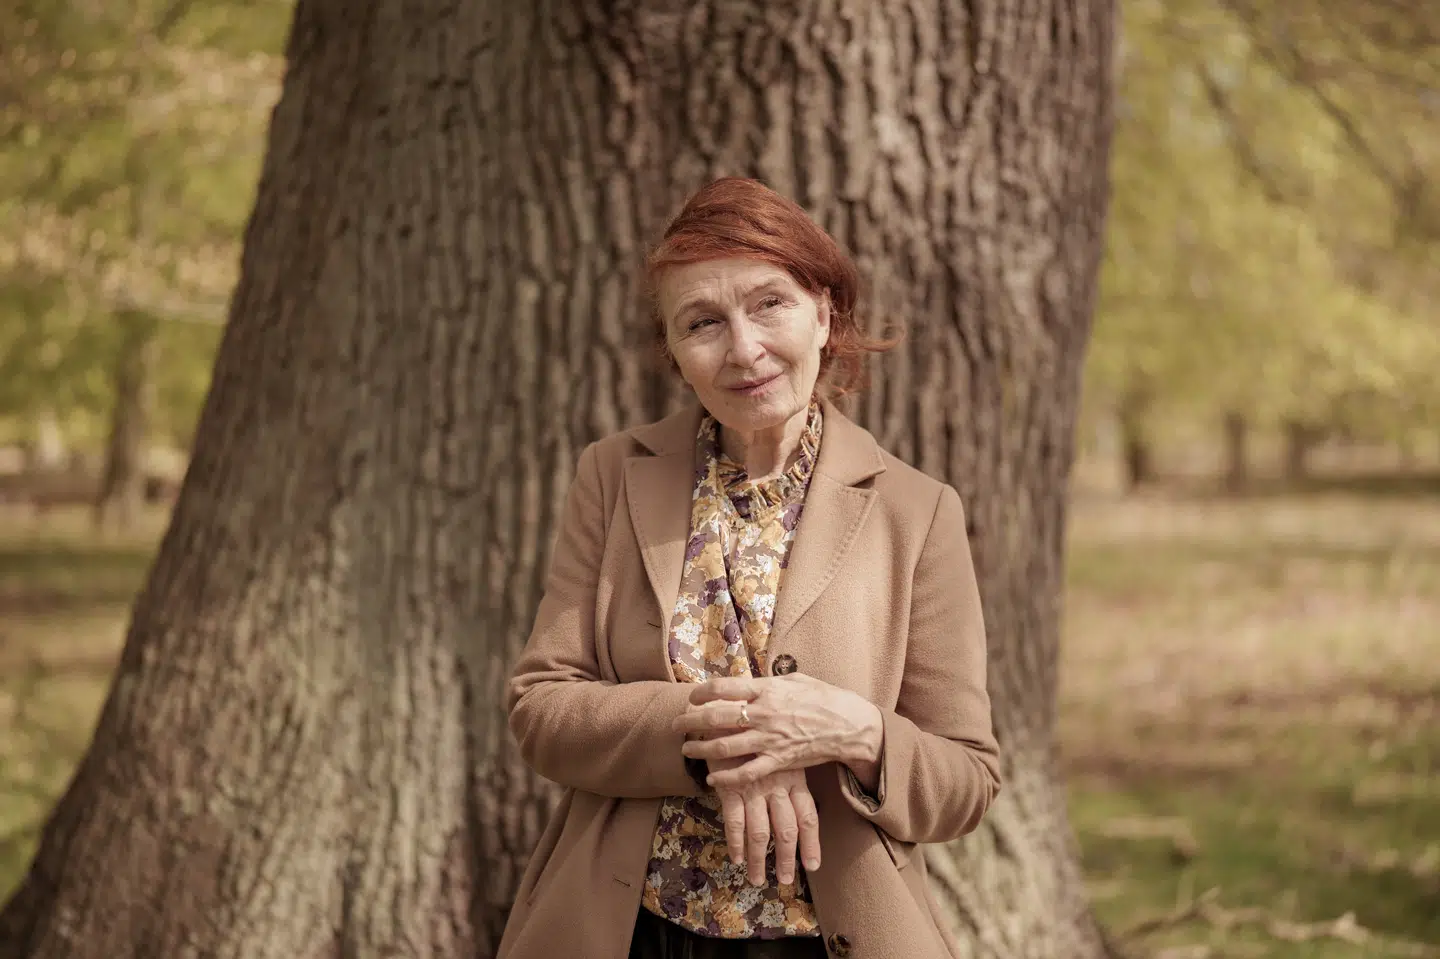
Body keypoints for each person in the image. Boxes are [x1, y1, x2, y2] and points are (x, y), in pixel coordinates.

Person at [497, 177, 1001, 959]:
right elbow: (542, 710)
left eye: (770, 303)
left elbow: (964, 782)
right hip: (633, 932)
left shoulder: (917, 510)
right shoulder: (612, 473)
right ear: (674, 352)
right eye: (703, 321)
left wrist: (848, 726)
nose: (743, 348)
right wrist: (722, 735)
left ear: (824, 312)